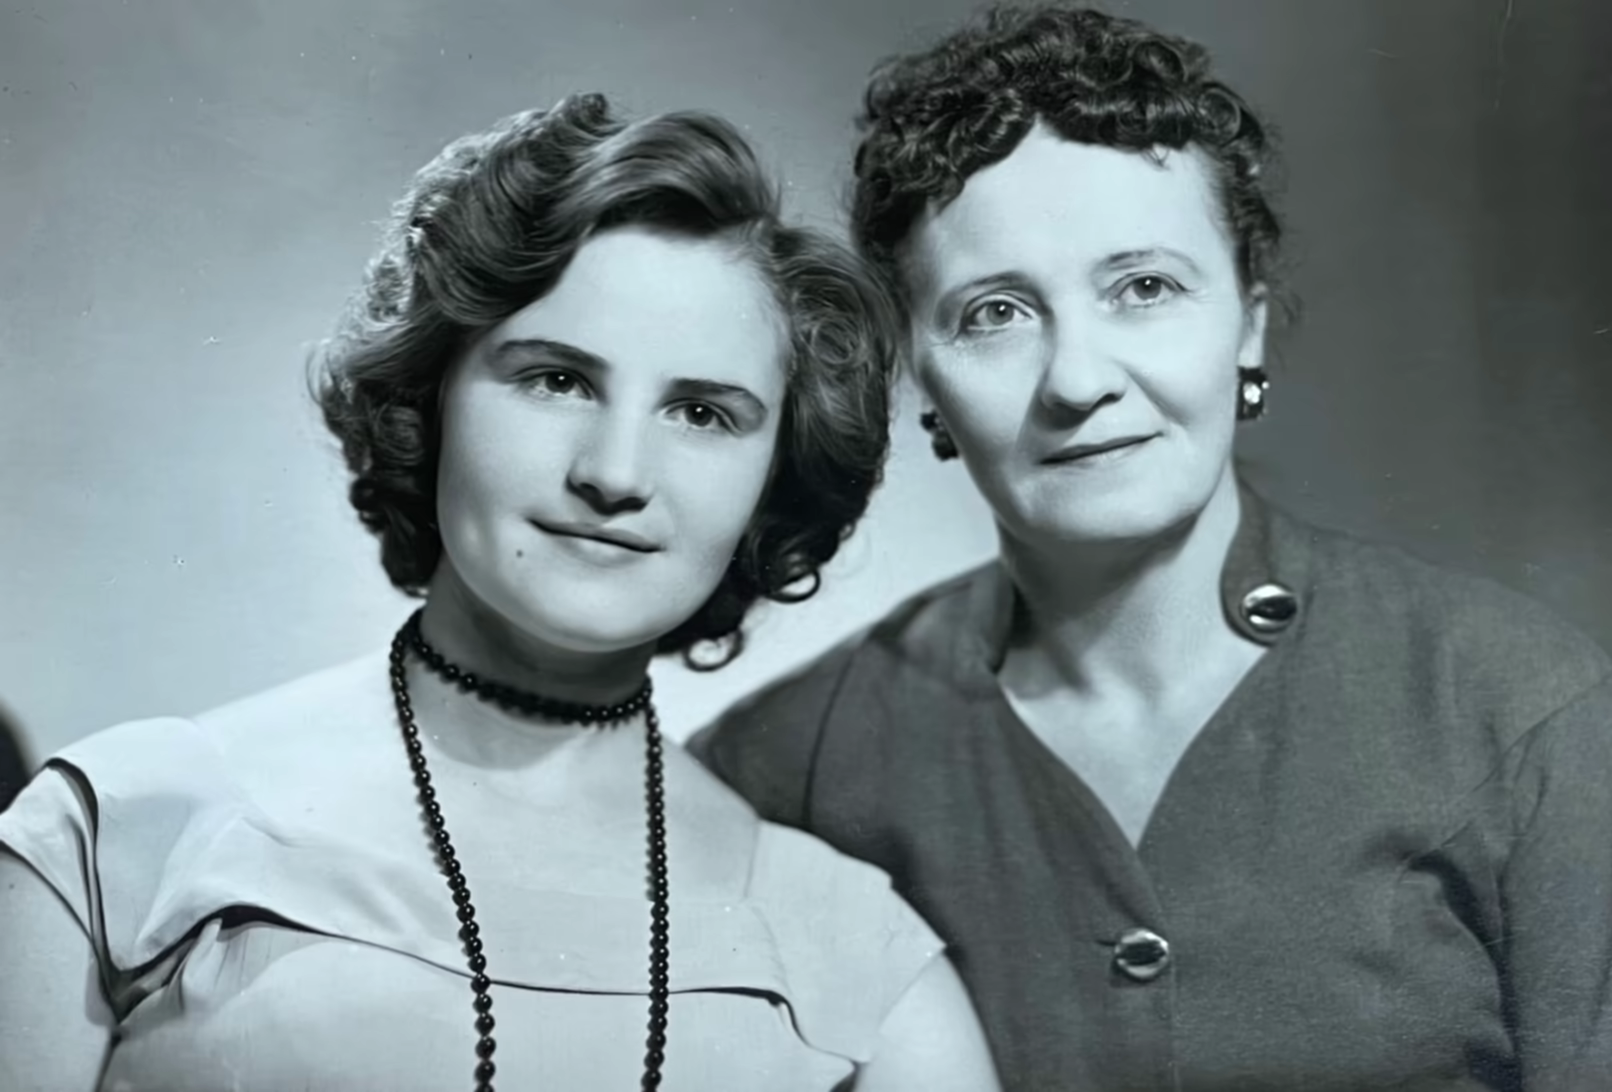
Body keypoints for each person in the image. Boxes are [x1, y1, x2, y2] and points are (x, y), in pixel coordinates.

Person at [689, 7, 1612, 1091]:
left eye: (1145, 288)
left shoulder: (1510, 704)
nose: (1079, 380)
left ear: (1247, 324)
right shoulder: (786, 768)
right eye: (996, 312)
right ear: (921, 374)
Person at [0, 94, 1000, 1092]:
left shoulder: (870, 972)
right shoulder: (122, 830)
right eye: (557, 380)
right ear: (430, 396)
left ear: (774, 478)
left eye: (701, 413)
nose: (614, 473)